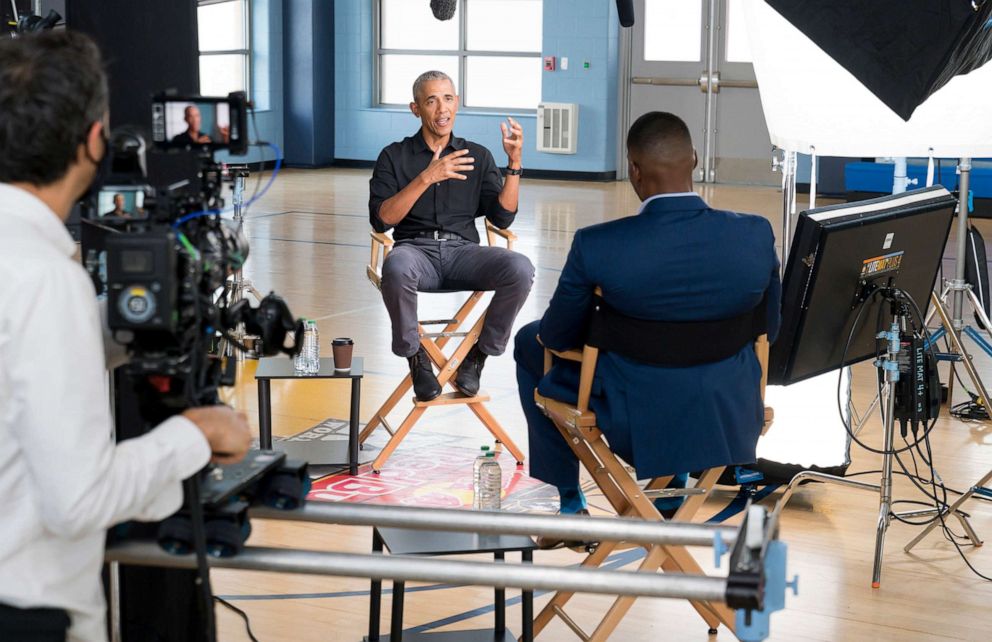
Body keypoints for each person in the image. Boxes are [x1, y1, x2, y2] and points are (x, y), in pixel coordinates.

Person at [0, 31, 252, 641]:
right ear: (93, 140)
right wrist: (194, 435)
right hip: (28, 610)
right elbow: (80, 501)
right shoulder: (43, 278)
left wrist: (126, 325)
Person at [514, 112, 781, 546]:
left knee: (531, 340)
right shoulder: (754, 234)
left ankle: (567, 505)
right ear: (694, 159)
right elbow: (771, 328)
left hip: (636, 420)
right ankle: (671, 489)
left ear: (634, 171)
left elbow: (558, 337)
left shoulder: (599, 244)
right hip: (728, 410)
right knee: (678, 349)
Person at [369, 70, 535, 401]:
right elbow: (382, 221)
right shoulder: (394, 155)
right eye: (431, 100)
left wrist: (514, 164)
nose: (441, 108)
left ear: (456, 103)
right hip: (415, 251)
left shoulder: (477, 155)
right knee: (396, 266)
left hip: (464, 253)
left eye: (447, 98)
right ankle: (416, 358)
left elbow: (503, 215)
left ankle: (476, 357)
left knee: (520, 268)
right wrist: (426, 177)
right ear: (416, 109)